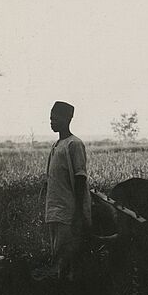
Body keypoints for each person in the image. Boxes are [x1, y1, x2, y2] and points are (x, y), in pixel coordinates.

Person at [39, 101, 91, 281]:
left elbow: (80, 178)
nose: (52, 121)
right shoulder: (56, 145)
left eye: (56, 117)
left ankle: (70, 294)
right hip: (55, 210)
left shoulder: (74, 144)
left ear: (68, 119)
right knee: (58, 254)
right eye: (50, 117)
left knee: (69, 256)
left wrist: (78, 212)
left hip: (68, 211)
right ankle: (63, 292)